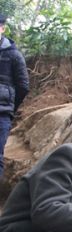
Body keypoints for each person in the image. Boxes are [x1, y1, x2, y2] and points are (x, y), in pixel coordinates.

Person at [0, 13, 29, 179]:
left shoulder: (14, 55)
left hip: (2, 114)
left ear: (2, 28)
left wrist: (10, 106)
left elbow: (23, 86)